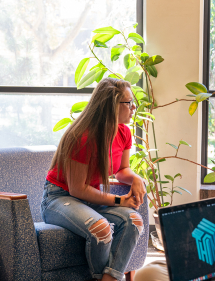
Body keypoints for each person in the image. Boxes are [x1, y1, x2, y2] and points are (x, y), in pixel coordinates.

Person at [41, 78, 146, 281]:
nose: (134, 107)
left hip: (90, 198)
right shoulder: (82, 137)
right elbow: (77, 189)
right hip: (59, 198)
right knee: (101, 229)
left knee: (134, 221)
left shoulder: (124, 132)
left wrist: (136, 178)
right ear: (111, 105)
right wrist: (119, 200)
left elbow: (122, 170)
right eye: (129, 103)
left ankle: (110, 279)